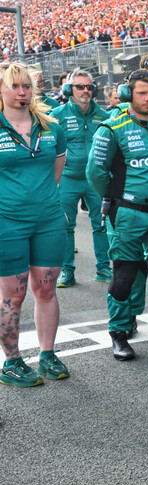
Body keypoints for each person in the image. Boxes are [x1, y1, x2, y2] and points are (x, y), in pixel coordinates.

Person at [87, 70, 148, 361]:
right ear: (129, 94)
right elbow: (95, 173)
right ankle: (118, 332)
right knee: (125, 273)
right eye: (142, 93)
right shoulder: (111, 127)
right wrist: (115, 198)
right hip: (128, 212)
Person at [0, 63, 69, 386]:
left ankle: (47, 354)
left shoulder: (51, 126)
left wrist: (41, 203)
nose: (21, 92)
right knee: (13, 296)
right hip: (7, 224)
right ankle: (12, 362)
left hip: (49, 220)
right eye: (14, 86)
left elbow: (56, 172)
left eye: (26, 86)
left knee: (46, 289)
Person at [52, 69, 112, 288]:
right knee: (66, 225)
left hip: (94, 179)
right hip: (67, 179)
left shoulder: (104, 116)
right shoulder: (56, 115)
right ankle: (67, 271)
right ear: (69, 90)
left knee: (101, 224)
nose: (85, 90)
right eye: (80, 86)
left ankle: (104, 267)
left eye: (89, 87)